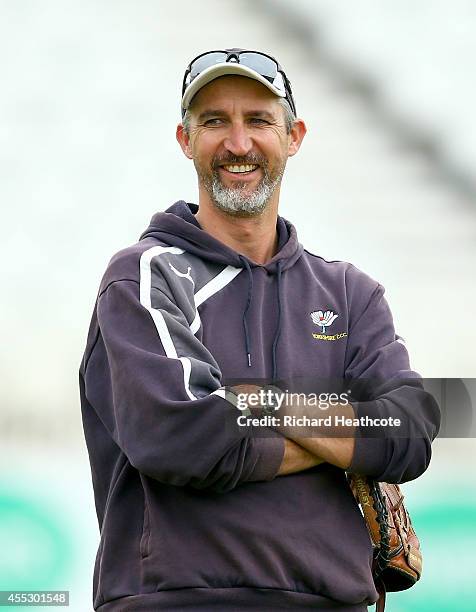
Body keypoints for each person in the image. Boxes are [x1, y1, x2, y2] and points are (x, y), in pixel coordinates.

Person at [79, 48, 440, 611]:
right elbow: (185, 440)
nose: (239, 144)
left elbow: (412, 431)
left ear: (293, 136)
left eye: (259, 120)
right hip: (177, 602)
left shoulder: (349, 292)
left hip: (333, 601)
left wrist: (262, 405)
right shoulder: (144, 274)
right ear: (185, 140)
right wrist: (346, 436)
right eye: (215, 121)